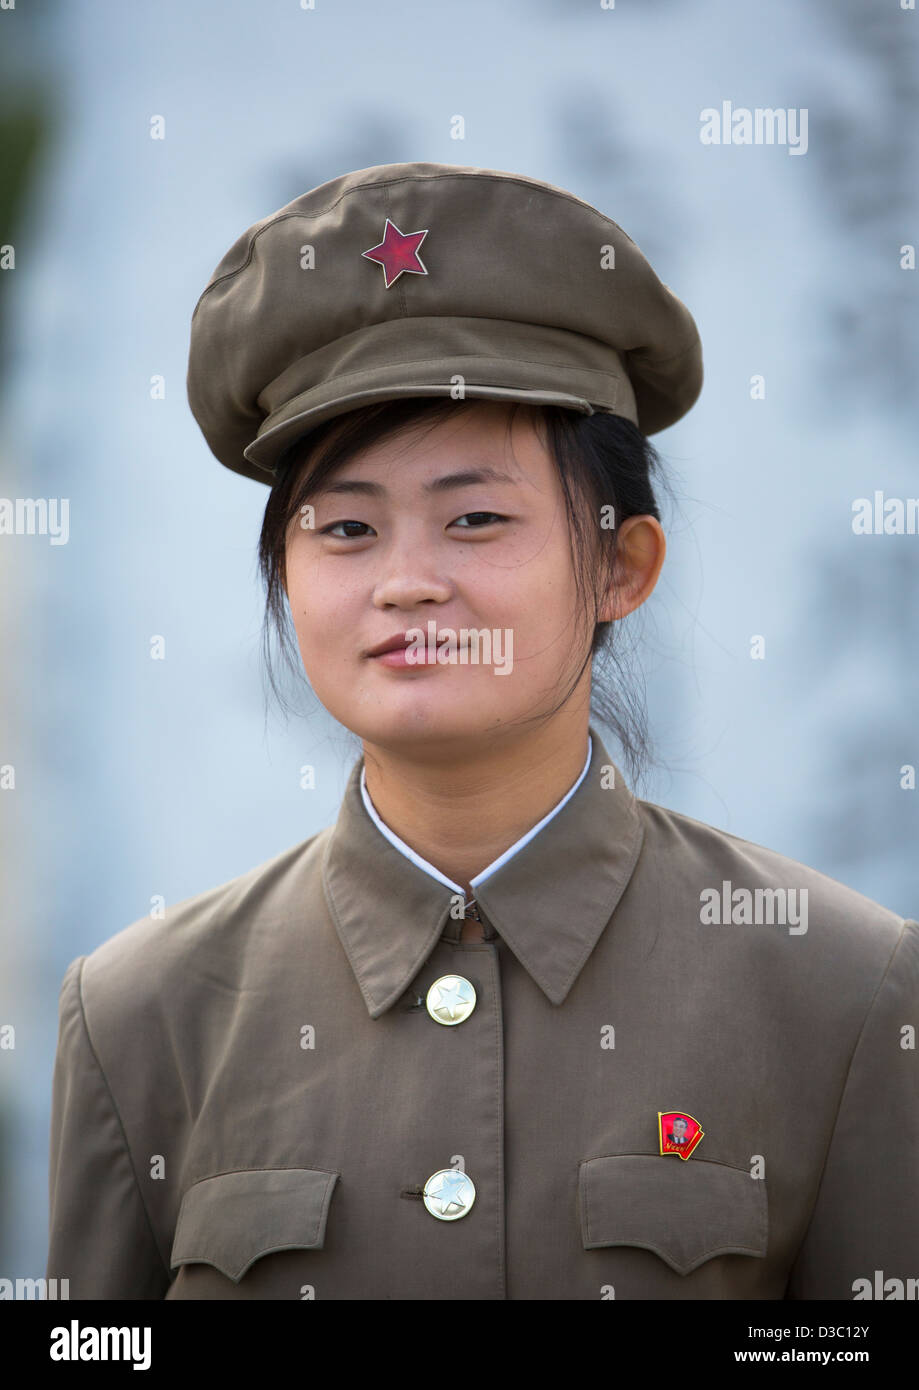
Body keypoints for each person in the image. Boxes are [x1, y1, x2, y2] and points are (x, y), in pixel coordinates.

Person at [46, 161, 918, 1300]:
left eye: (475, 518)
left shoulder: (842, 990)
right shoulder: (140, 1015)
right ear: (284, 581)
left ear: (619, 563)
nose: (408, 582)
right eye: (347, 526)